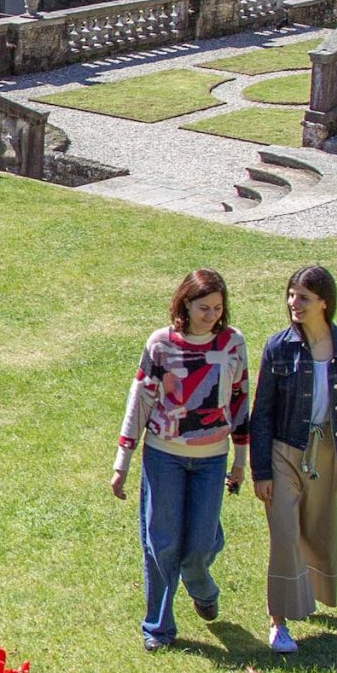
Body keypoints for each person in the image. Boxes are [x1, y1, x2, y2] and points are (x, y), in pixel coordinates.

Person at [111, 269, 251, 652]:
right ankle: (158, 627)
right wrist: (123, 459)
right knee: (161, 542)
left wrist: (241, 458)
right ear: (184, 304)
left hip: (211, 459)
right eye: (203, 307)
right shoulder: (161, 344)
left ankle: (200, 582)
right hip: (164, 456)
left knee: (201, 544)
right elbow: (140, 399)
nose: (210, 315)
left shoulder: (233, 343)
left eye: (217, 308)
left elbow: (240, 401)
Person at [249, 265, 337, 655]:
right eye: (290, 295)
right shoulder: (278, 347)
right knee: (285, 535)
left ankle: (310, 596)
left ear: (324, 302)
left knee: (317, 531)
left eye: (302, 297)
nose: (293, 303)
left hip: (326, 451)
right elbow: (262, 412)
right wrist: (261, 471)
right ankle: (279, 622)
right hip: (284, 450)